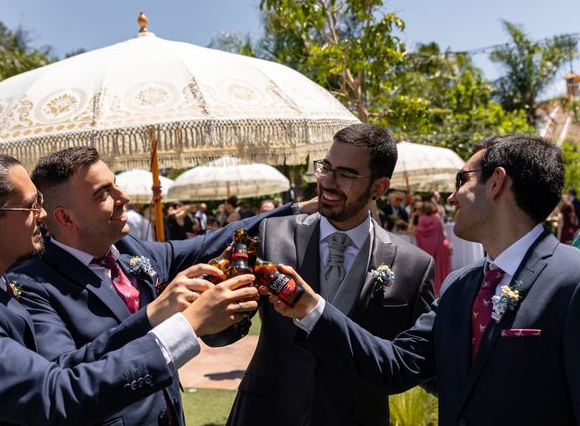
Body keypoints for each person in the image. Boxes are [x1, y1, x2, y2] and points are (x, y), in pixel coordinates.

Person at [269, 134, 580, 426]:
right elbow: (395, 365)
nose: (452, 196)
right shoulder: (459, 286)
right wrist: (309, 307)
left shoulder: (572, 279)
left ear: (496, 181)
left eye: (462, 179)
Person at [0, 151, 257, 425]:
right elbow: (55, 396)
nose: (44, 214)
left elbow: (64, 368)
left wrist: (155, 316)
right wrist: (186, 325)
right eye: (30, 206)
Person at [9, 146, 316, 426]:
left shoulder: (131, 250)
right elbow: (64, 374)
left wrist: (299, 209)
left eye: (116, 183)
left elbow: (214, 240)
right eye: (104, 192)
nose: (123, 196)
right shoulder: (32, 285)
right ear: (65, 217)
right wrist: (153, 314)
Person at [227, 123, 435, 426]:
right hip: (267, 413)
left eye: (346, 175)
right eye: (326, 167)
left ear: (379, 187)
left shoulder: (413, 265)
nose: (327, 182)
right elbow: (229, 327)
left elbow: (418, 363)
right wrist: (221, 316)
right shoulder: (273, 234)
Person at [410, 201, 452, 293]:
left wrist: (413, 217)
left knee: (432, 272)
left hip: (430, 250)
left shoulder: (422, 219)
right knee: (442, 274)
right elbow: (443, 234)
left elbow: (413, 231)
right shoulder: (437, 218)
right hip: (441, 248)